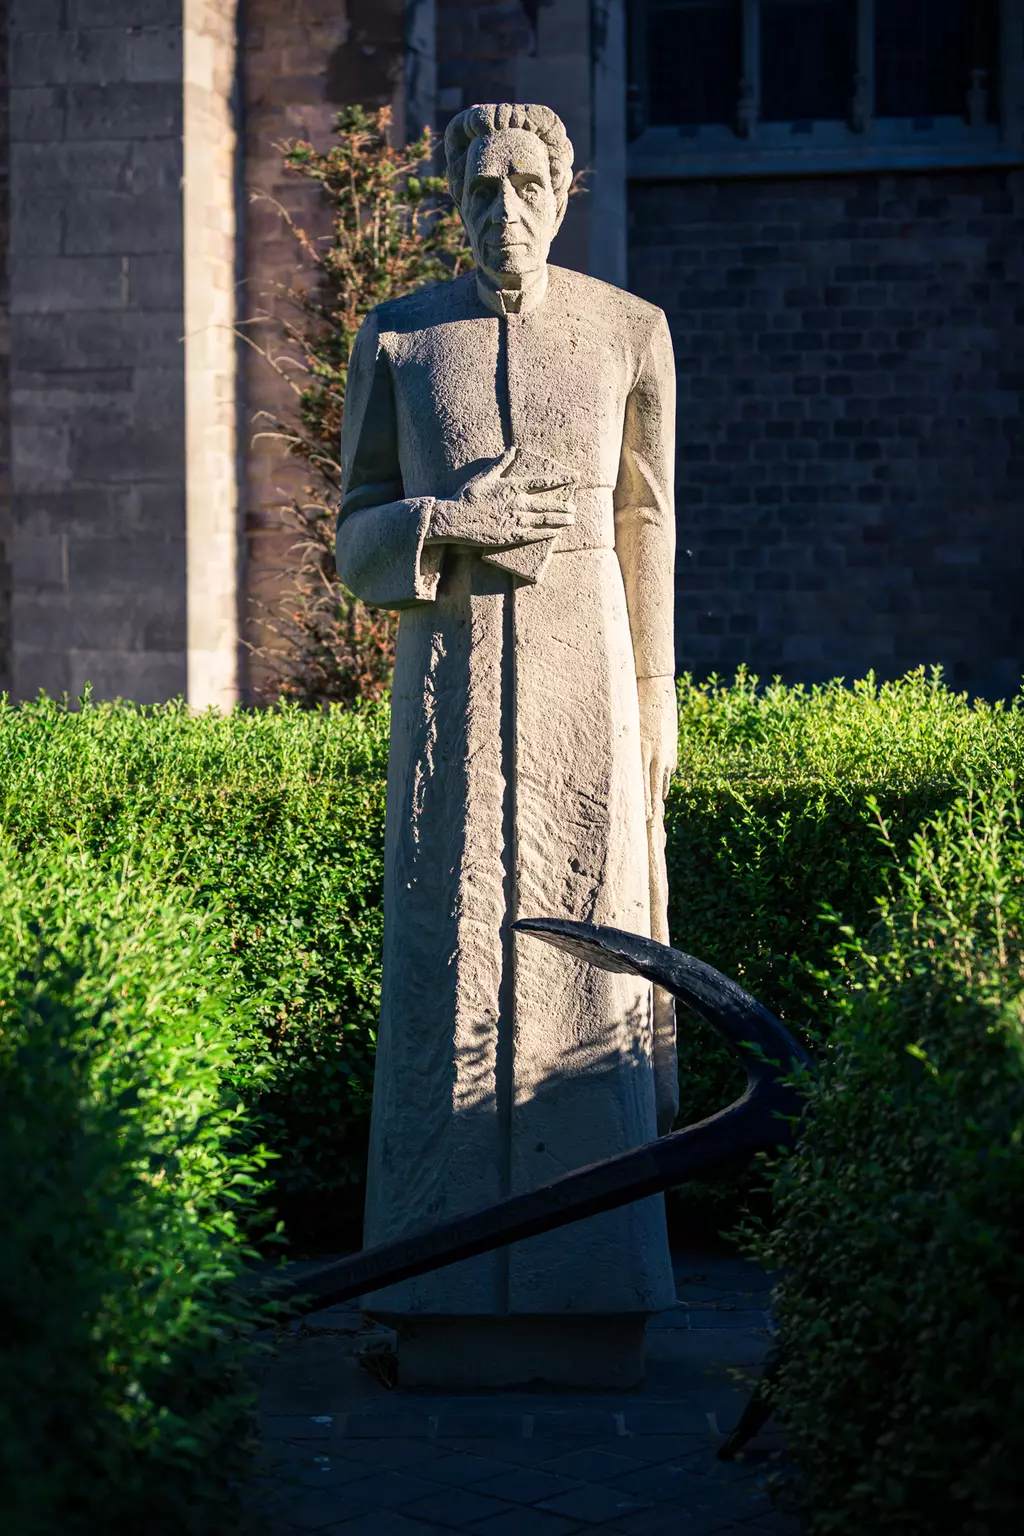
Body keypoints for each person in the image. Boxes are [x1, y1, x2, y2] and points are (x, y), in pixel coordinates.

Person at [336, 102, 678, 1369]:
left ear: (567, 188)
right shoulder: (401, 336)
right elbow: (352, 530)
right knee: (449, 950)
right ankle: (435, 1281)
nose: (505, 209)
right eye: (481, 189)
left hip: (593, 682)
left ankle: (594, 1284)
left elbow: (650, 530)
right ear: (453, 200)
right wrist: (435, 523)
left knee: (590, 953)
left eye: (528, 184)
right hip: (454, 689)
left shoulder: (629, 333)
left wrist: (660, 703)